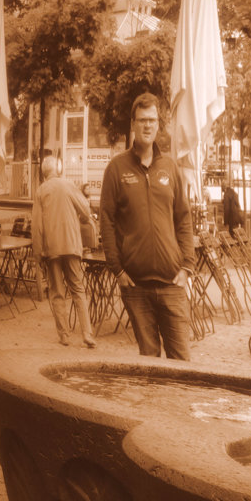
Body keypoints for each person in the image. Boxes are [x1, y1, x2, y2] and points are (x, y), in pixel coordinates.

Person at [100, 93, 195, 361]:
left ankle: (177, 405)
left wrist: (187, 267)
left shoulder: (170, 168)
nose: (147, 125)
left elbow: (183, 219)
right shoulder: (116, 169)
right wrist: (117, 269)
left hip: (172, 283)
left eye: (152, 120)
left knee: (182, 361)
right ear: (133, 124)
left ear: (158, 124)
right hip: (136, 286)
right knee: (149, 361)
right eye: (142, 120)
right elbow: (105, 221)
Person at [32, 156, 97, 349]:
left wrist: (38, 254)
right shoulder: (68, 185)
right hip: (71, 244)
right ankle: (87, 334)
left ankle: (64, 335)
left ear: (43, 174)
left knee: (57, 292)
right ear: (57, 170)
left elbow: (37, 225)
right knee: (78, 289)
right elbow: (85, 211)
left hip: (51, 248)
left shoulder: (41, 191)